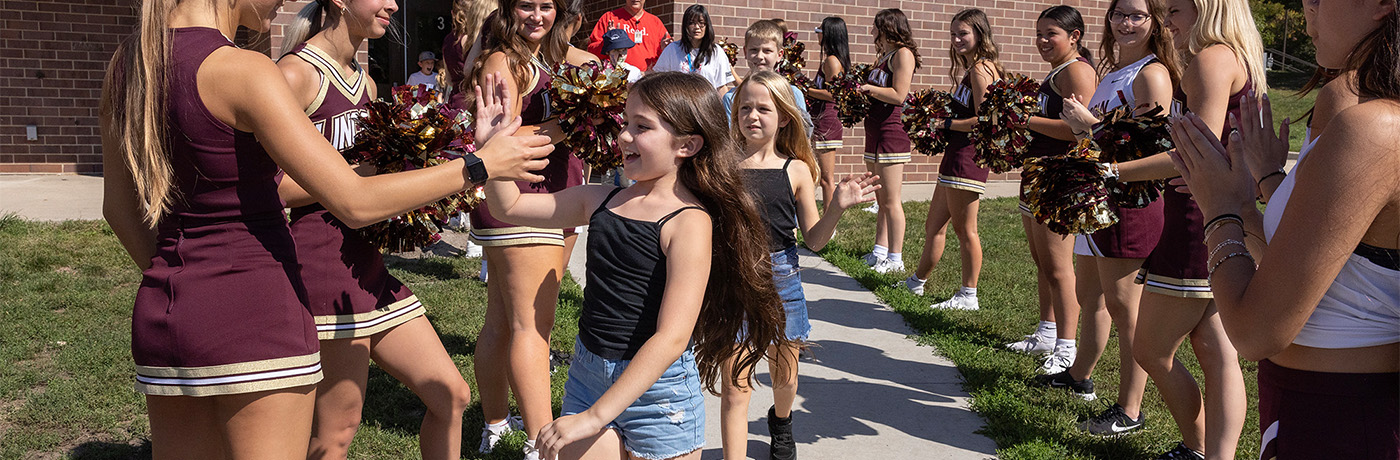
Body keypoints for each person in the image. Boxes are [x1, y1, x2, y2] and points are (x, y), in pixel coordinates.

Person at [99, 1, 551, 457]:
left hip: (167, 311)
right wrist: (480, 165)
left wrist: (185, 276)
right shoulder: (246, 69)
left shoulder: (129, 63)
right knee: (332, 434)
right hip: (259, 308)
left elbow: (119, 210)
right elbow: (354, 200)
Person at [481, 71, 788, 460]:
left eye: (641, 127)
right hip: (588, 373)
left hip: (659, 393)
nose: (624, 136)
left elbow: (673, 337)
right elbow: (506, 207)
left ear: (688, 144)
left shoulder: (689, 222)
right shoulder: (600, 200)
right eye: (626, 122)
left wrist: (595, 417)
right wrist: (491, 153)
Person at [1168, 0, 1398, 454]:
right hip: (1315, 399)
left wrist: (1221, 210)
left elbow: (1254, 332)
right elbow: (1311, 261)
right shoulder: (1362, 112)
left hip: (1343, 414)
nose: (1307, 9)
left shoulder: (1376, 127)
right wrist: (1255, 195)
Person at [273, 1, 475, 458]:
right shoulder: (296, 74)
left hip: (368, 262)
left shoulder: (363, 80)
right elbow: (278, 188)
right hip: (323, 268)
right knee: (336, 434)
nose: (393, 4)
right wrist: (360, 172)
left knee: (451, 395)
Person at [1120, 0, 1265, 456]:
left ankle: (1196, 446)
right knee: (1216, 352)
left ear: (1207, 8)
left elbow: (1193, 153)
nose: (1167, 22)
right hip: (1222, 218)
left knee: (1150, 349)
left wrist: (1108, 170)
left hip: (1195, 221)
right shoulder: (1237, 56)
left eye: (1175, 9)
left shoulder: (1212, 57)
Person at [721, 71, 879, 460]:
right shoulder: (721, 165)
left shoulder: (796, 169)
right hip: (733, 280)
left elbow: (814, 239)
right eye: (744, 107)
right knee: (734, 385)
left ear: (784, 117)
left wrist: (836, 207)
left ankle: (782, 422)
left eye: (763, 108)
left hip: (781, 279)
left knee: (784, 374)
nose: (752, 116)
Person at [1045, 0, 1180, 437]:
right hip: (1098, 198)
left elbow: (1154, 151)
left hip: (1131, 202)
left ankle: (1130, 409)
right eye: (1119, 13)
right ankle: (1079, 375)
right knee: (1091, 294)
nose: (1125, 23)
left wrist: (1091, 126)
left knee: (1126, 309)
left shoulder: (1152, 74)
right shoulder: (1116, 71)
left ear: (1154, 21)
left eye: (1137, 15)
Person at [466, 0, 591, 457]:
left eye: (546, 6)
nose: (537, 16)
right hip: (519, 198)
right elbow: (502, 140)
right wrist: (574, 119)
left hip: (530, 198)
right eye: (526, 5)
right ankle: (543, 445)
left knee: (501, 322)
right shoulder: (503, 61)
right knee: (531, 327)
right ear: (508, 8)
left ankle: (496, 425)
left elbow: (586, 63)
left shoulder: (531, 58)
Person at [1009, 5, 1098, 380]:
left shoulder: (1077, 70)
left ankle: (1066, 348)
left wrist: (1022, 118)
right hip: (1038, 175)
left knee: (1060, 269)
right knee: (1043, 262)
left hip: (1058, 178)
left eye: (1052, 34)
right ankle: (1047, 333)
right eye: (1040, 33)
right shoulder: (1058, 71)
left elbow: (1078, 129)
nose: (1043, 41)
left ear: (1074, 37)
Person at [899, 8, 996, 292]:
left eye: (963, 33)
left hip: (969, 157)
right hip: (955, 155)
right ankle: (917, 282)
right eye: (953, 34)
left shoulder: (981, 70)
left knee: (966, 231)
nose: (956, 39)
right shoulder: (971, 69)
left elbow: (985, 118)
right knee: (934, 225)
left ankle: (969, 294)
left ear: (980, 34)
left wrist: (945, 123)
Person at [723, 20, 813, 136]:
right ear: (745, 52)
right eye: (754, 50)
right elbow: (732, 140)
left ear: (779, 54)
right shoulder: (731, 98)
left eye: (767, 51)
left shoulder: (793, 94)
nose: (760, 56)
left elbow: (803, 138)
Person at [803, 16, 850, 206]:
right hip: (821, 121)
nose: (817, 34)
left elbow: (834, 94)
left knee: (826, 179)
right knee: (821, 177)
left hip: (827, 122)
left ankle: (830, 225)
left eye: (820, 30)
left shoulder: (832, 61)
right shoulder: (830, 59)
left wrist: (807, 89)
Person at [651, 4, 735, 93]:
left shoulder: (716, 52)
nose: (697, 27)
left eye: (701, 23)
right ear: (685, 26)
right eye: (691, 23)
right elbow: (659, 81)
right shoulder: (672, 49)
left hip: (707, 104)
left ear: (707, 26)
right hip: (680, 104)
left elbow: (721, 87)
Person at [442, 0, 497, 111]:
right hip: (474, 105)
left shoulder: (448, 40)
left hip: (454, 102)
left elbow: (448, 79)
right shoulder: (477, 42)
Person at [586, 0, 671, 71]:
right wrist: (608, 41)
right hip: (618, 80)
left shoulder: (655, 22)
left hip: (647, 80)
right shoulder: (609, 18)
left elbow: (666, 57)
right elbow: (591, 51)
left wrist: (665, 50)